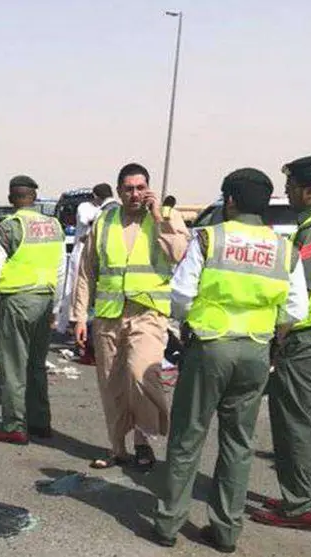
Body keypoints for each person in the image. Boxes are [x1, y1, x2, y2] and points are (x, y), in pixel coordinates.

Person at [151, 168, 308, 551]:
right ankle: (225, 531)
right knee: (238, 443)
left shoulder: (209, 238)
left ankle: (169, 523)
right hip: (256, 351)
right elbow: (295, 309)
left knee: (188, 438)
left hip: (210, 348)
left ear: (231, 200)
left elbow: (181, 296)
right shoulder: (284, 249)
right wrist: (272, 339)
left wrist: (191, 324)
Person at [70, 162, 190, 470]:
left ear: (148, 188)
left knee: (141, 374)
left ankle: (145, 437)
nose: (135, 194)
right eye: (128, 189)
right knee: (112, 386)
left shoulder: (166, 215)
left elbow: (179, 254)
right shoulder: (105, 220)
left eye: (140, 188)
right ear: (119, 191)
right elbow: (87, 271)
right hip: (109, 316)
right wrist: (79, 316)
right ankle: (118, 448)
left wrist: (158, 217)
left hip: (147, 313)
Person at [249, 155, 311, 531]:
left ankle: (301, 504)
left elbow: (301, 293)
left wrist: (277, 339)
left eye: (291, 187)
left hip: (307, 340)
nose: (287, 193)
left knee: (296, 421)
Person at [0, 175, 66, 444]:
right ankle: (40, 422)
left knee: (13, 367)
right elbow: (61, 270)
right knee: (36, 365)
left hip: (17, 304)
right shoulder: (54, 226)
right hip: (45, 301)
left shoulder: (8, 227)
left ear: (12, 199)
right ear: (34, 198)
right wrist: (56, 308)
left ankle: (14, 426)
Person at [56, 183, 119, 363]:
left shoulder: (109, 211)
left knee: (84, 297)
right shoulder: (92, 209)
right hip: (87, 257)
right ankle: (81, 334)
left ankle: (85, 338)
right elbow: (86, 221)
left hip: (98, 261)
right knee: (79, 295)